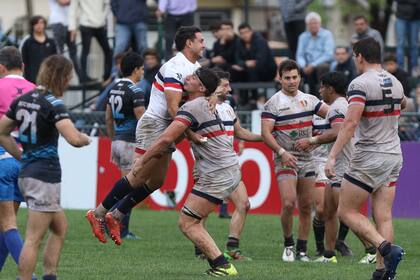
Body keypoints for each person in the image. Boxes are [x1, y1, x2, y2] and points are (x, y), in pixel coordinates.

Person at [86, 26, 204, 246]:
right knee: (138, 176)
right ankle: (99, 213)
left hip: (167, 128)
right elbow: (172, 108)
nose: (204, 44)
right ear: (189, 43)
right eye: (201, 40)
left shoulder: (195, 67)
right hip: (155, 125)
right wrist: (191, 134)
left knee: (157, 181)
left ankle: (116, 215)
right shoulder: (175, 67)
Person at [0, 55, 91, 280]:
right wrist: (85, 138)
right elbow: (73, 139)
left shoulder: (23, 99)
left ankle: (50, 276)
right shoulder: (53, 103)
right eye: (69, 76)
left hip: (29, 172)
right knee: (33, 238)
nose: (70, 81)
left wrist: (21, 155)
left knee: (60, 228)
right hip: (44, 176)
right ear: (62, 77)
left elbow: (2, 131)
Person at [325, 37, 406, 280]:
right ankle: (382, 272)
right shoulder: (396, 82)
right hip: (394, 153)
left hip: (370, 155)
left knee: (346, 212)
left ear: (359, 56)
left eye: (353, 55)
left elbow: (350, 123)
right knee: (383, 215)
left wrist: (332, 156)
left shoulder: (359, 84)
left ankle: (387, 250)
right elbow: (401, 103)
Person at [261, 59, 329, 262]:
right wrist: (282, 152)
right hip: (285, 158)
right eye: (287, 78)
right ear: (279, 78)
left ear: (300, 77)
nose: (291, 81)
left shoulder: (310, 100)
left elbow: (334, 116)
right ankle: (288, 245)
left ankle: (302, 249)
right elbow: (265, 133)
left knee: (307, 205)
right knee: (289, 202)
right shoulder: (273, 103)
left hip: (307, 159)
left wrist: (316, 139)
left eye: (295, 77)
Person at [194, 71, 262, 261]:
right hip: (209, 166)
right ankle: (201, 249)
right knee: (203, 209)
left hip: (228, 165)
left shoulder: (228, 108)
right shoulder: (202, 106)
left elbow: (240, 132)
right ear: (214, 86)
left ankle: (232, 248)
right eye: (225, 85)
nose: (229, 89)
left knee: (243, 204)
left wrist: (265, 137)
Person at [296, 72, 355, 263]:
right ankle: (325, 252)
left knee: (341, 211)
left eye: (322, 86)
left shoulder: (335, 108)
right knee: (325, 210)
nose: (319, 90)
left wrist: (313, 140)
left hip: (337, 161)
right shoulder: (313, 108)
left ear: (330, 88)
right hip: (321, 161)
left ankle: (371, 248)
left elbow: (337, 132)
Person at [0, 47, 35, 274]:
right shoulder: (35, 90)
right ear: (22, 66)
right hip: (27, 163)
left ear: (1, 68)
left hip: (3, 159)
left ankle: (29, 276)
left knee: (7, 224)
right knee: (4, 225)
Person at [105, 52, 145, 240]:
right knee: (129, 188)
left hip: (118, 141)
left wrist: (113, 139)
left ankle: (113, 222)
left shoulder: (114, 88)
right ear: (136, 70)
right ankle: (120, 228)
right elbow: (142, 120)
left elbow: (108, 118)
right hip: (130, 142)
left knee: (126, 185)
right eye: (142, 69)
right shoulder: (135, 91)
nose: (143, 72)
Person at [68, 0, 113, 83]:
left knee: (108, 50)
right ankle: (83, 78)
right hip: (86, 24)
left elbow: (108, 5)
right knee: (85, 51)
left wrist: (103, 18)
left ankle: (107, 76)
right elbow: (73, 9)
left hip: (100, 24)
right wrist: (72, 27)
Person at [296, 12, 334, 96]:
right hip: (306, 65)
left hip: (321, 64)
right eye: (311, 24)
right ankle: (298, 97)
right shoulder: (303, 36)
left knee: (322, 67)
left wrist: (313, 65)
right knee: (294, 67)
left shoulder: (327, 34)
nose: (313, 25)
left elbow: (329, 54)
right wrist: (303, 66)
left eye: (315, 23)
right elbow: (299, 55)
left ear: (319, 24)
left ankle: (322, 95)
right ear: (307, 25)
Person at [48, 0, 82, 82]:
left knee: (73, 52)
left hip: (70, 23)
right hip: (58, 22)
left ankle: (81, 77)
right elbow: (62, 2)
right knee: (59, 51)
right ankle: (59, 77)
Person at [20, 15, 57, 83]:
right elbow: (24, 61)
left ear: (44, 25)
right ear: (32, 26)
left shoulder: (51, 42)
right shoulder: (28, 43)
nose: (39, 25)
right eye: (36, 23)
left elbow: (55, 61)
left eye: (41, 23)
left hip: (49, 78)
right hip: (32, 80)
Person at [395, 0, 420, 76]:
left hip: (416, 18)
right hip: (401, 17)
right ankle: (400, 68)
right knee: (400, 44)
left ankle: (414, 67)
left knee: (414, 44)